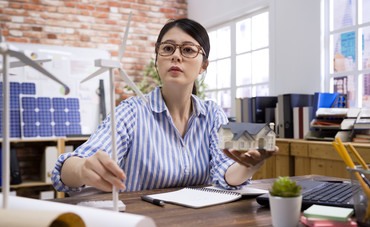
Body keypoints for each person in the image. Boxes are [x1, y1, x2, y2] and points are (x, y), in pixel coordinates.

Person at [51, 18, 279, 193]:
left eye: (188, 50)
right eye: (168, 48)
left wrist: (249, 166)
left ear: (203, 65)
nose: (176, 56)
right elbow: (65, 171)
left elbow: (226, 173)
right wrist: (82, 169)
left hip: (200, 224)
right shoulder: (131, 112)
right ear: (157, 58)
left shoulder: (212, 113)